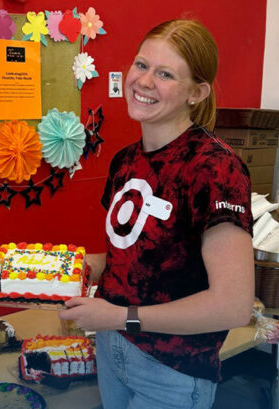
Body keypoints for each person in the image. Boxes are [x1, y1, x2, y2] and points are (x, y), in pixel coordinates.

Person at [59, 19, 255, 409]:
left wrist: (118, 317)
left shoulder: (215, 169)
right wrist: (79, 268)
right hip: (113, 352)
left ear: (196, 93)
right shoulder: (125, 161)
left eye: (165, 74)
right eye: (141, 65)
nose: (144, 81)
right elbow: (134, 259)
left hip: (173, 371)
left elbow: (232, 305)